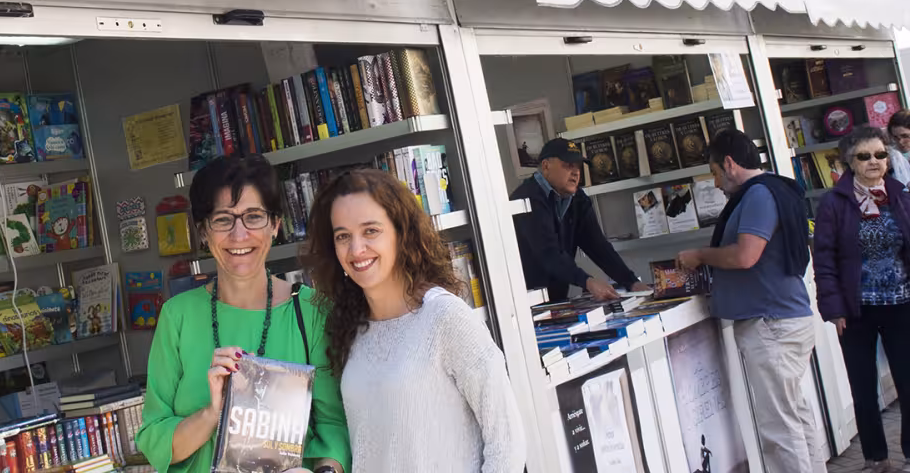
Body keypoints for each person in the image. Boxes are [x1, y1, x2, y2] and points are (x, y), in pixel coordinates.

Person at [137, 155, 350, 473]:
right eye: (223, 219)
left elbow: (334, 427)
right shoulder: (177, 316)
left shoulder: (311, 311)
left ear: (275, 225)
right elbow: (155, 439)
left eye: (254, 217)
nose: (239, 235)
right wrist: (213, 414)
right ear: (203, 231)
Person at [303, 168, 525, 473]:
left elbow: (507, 444)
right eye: (343, 236)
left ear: (401, 233)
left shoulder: (445, 318)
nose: (356, 249)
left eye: (371, 231)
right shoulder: (350, 329)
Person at [676, 129, 824, 473]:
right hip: (781, 318)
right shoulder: (775, 188)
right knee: (793, 416)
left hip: (771, 324)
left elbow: (746, 255)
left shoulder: (758, 195)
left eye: (714, 172)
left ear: (729, 163)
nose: (716, 183)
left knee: (780, 427)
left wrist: (701, 255)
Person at [812, 126, 910, 473]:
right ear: (849, 162)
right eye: (864, 156)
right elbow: (824, 260)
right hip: (856, 310)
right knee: (863, 387)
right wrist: (834, 308)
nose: (873, 161)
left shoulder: (901, 196)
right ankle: (876, 459)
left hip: (902, 305)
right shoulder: (834, 204)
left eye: (880, 154)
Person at [510, 137, 651, 301]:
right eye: (568, 165)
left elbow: (598, 246)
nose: (576, 172)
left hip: (556, 299)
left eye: (577, 166)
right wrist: (587, 281)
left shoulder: (577, 199)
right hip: (523, 301)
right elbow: (549, 254)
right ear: (546, 166)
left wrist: (631, 282)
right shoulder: (527, 199)